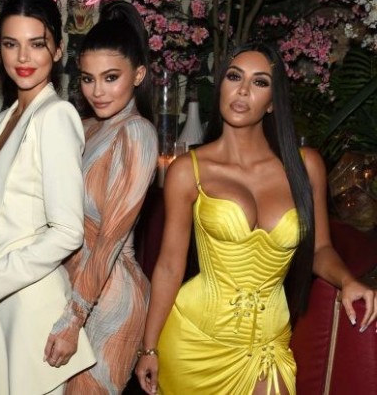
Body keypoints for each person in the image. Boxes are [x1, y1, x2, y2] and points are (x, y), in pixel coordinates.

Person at [135, 42, 377, 395]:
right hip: (192, 342)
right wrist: (149, 347)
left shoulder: (306, 166)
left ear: (273, 102)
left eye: (260, 82)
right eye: (234, 77)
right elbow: (170, 266)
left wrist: (347, 281)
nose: (243, 90)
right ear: (221, 86)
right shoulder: (188, 170)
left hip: (267, 346)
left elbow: (320, 249)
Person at [0, 0, 96, 395]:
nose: (23, 57)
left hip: (34, 309)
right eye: (11, 44)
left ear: (58, 50)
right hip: (4, 308)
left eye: (37, 44)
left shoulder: (56, 116)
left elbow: (68, 232)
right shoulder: (1, 122)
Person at [42, 0, 158, 394]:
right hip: (72, 288)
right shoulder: (86, 126)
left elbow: (109, 239)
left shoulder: (137, 133)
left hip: (110, 300)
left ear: (138, 74)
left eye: (111, 77)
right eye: (88, 79)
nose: (97, 91)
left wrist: (73, 319)